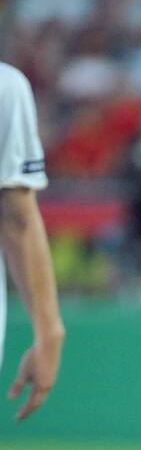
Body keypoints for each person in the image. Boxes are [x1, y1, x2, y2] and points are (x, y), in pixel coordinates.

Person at [0, 62, 64, 421]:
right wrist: (49, 332)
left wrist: (50, 333)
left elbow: (17, 219)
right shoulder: (5, 88)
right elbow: (17, 219)